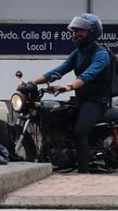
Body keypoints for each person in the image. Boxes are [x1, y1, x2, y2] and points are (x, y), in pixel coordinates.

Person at [23, 13, 111, 174]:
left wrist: (68, 87)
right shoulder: (77, 53)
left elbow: (88, 75)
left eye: (81, 31)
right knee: (57, 120)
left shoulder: (101, 55)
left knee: (80, 131)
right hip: (80, 99)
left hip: (98, 102)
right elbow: (58, 71)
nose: (77, 34)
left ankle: (83, 173)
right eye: (76, 30)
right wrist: (31, 82)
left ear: (92, 32)